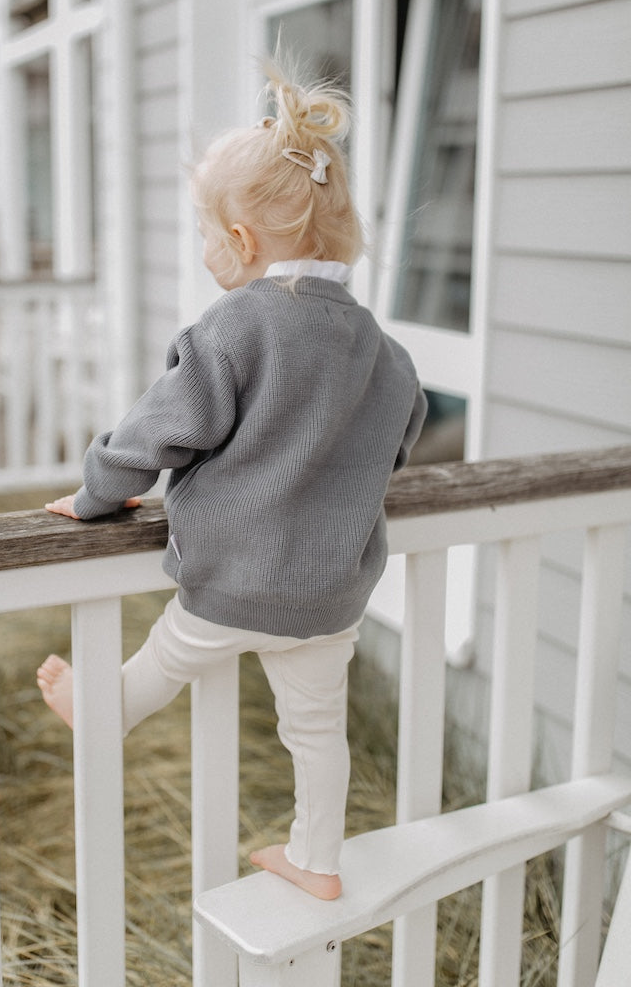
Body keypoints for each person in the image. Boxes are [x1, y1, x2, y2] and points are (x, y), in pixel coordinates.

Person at [37, 60, 427, 901]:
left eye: (206, 234)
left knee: (162, 662)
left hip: (230, 585)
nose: (206, 251)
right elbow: (397, 444)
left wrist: (100, 491)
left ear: (242, 245)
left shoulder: (239, 325)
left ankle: (94, 710)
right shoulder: (385, 354)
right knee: (317, 730)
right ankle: (318, 862)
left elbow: (162, 429)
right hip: (327, 598)